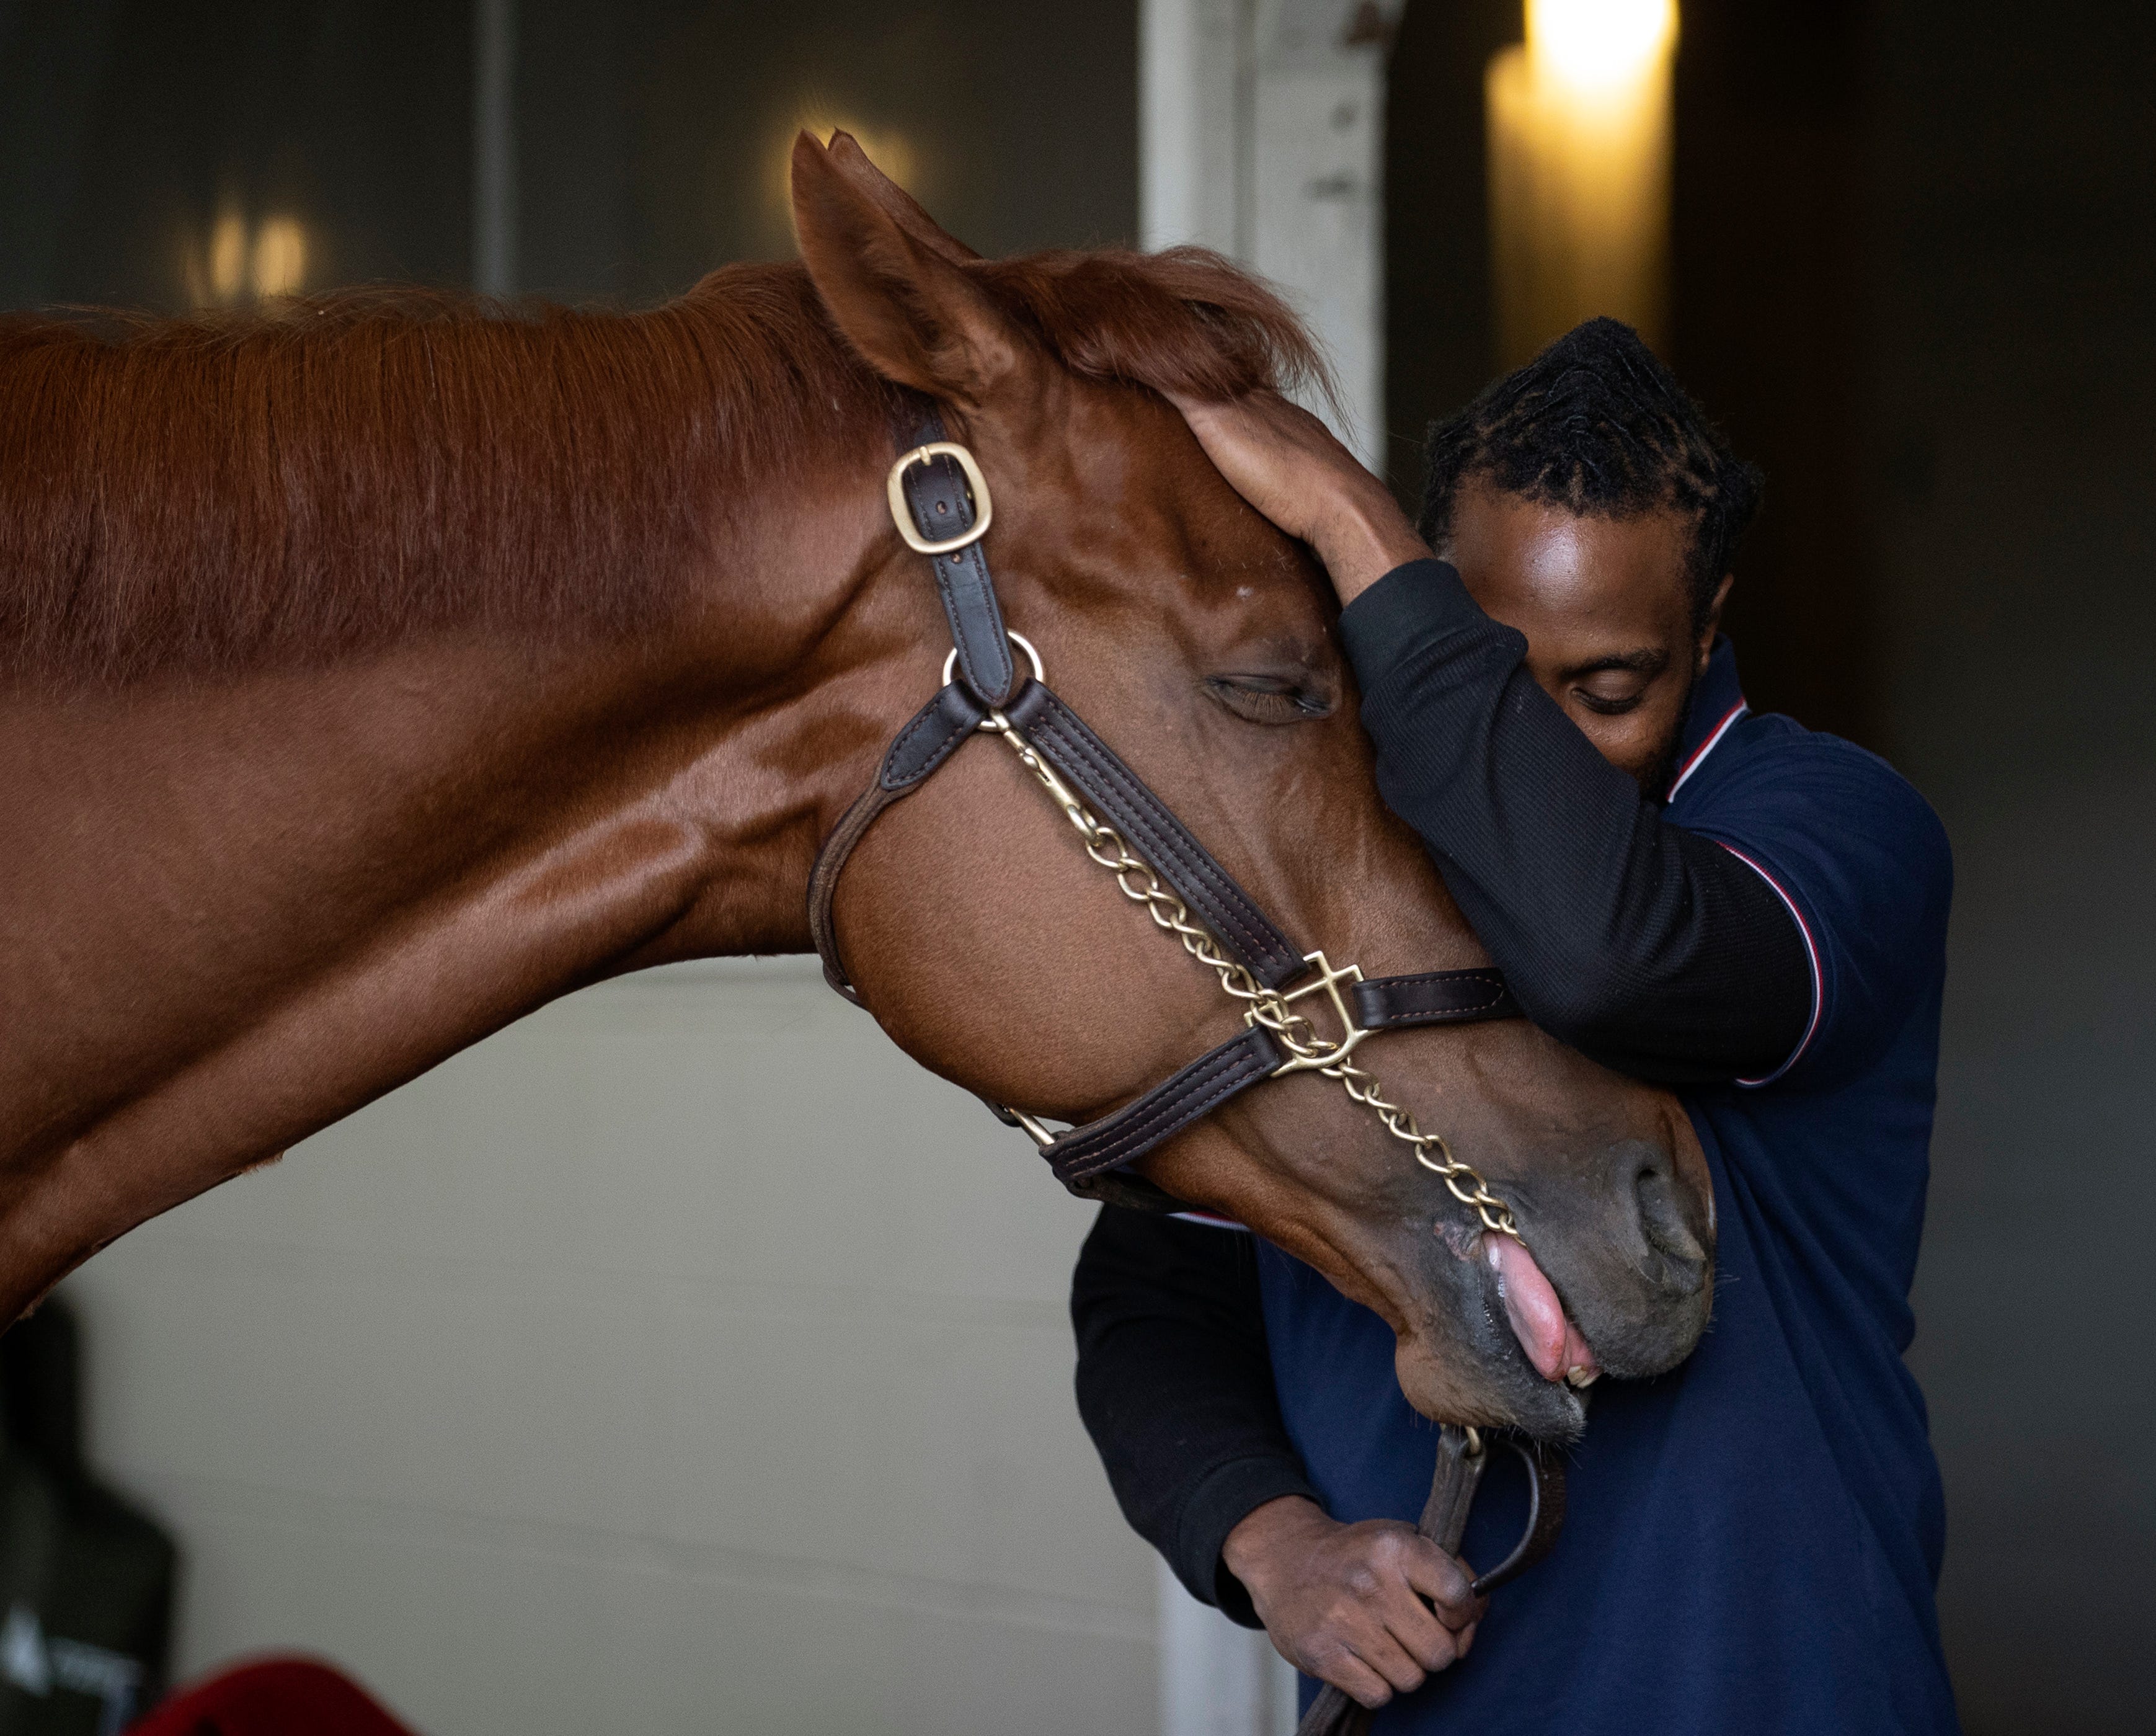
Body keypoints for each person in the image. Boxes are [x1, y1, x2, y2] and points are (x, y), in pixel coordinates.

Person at [1071, 319, 1959, 1733]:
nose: (1535, 745)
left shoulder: (1838, 834)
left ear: (1709, 624)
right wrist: (1275, 1543)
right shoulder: (1314, 911)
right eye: (1486, 668)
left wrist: (1356, 530)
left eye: (1603, 692)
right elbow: (1154, 1294)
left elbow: (1606, 954)